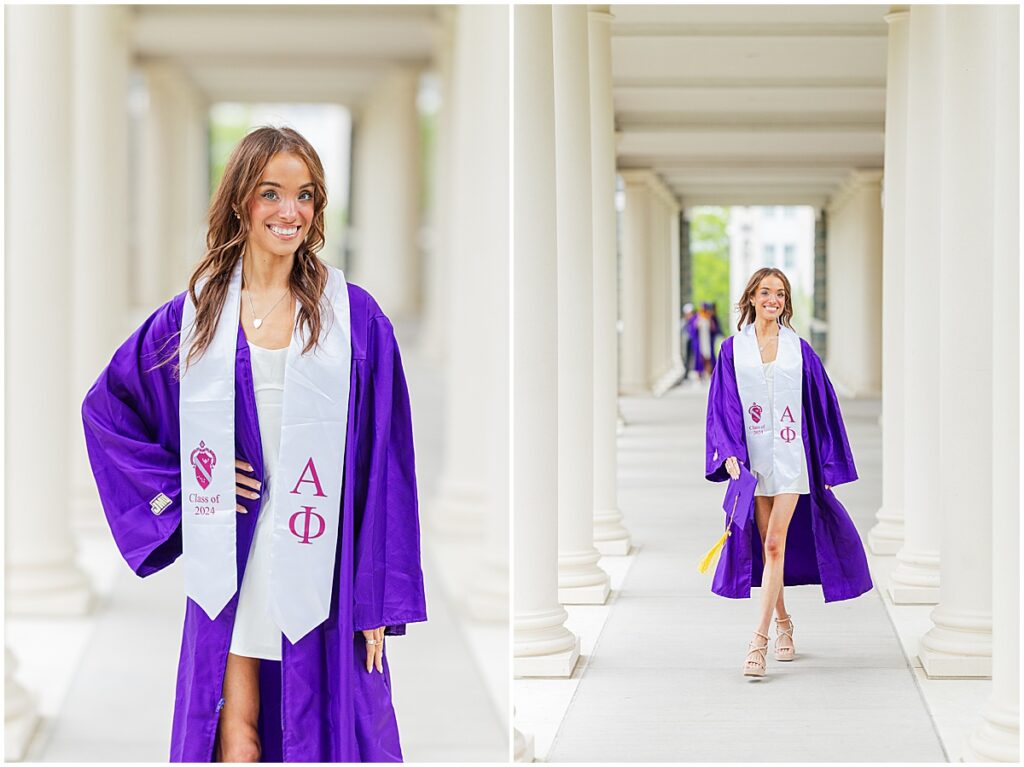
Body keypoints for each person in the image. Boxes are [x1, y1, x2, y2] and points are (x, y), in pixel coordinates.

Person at [82, 126, 427, 762]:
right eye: (271, 193)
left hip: (323, 554)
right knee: (233, 734)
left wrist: (377, 596)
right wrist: (182, 488)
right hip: (234, 555)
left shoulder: (354, 318)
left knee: (318, 731)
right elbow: (109, 411)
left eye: (305, 196)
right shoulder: (194, 317)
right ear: (242, 201)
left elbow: (388, 464)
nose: (289, 212)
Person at [703, 267, 870, 678]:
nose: (772, 300)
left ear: (786, 301)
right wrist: (727, 452)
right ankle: (784, 623)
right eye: (765, 292)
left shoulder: (800, 351)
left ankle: (757, 641)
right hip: (754, 465)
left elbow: (824, 406)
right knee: (765, 545)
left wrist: (827, 461)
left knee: (775, 544)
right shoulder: (732, 350)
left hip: (793, 460)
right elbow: (722, 406)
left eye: (779, 293)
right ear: (752, 298)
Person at [680, 303, 695, 381]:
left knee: (690, 358)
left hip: (691, 342)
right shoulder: (683, 322)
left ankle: (687, 373)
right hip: (683, 343)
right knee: (684, 357)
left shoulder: (693, 321)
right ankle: (684, 373)